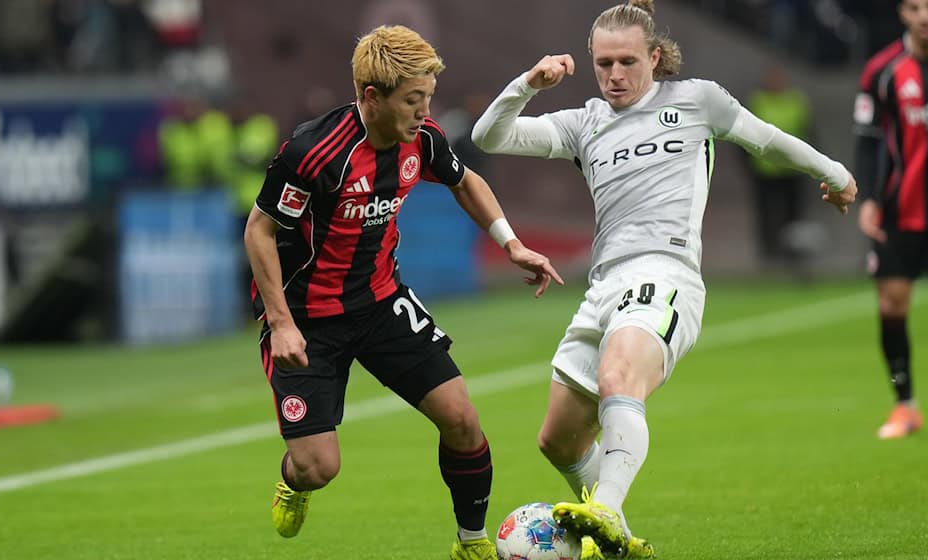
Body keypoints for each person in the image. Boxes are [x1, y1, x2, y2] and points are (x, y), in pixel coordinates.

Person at [471, 1, 857, 558]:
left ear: (654, 57)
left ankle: (606, 508)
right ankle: (622, 542)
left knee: (619, 376)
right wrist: (528, 84)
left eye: (627, 61)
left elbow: (767, 139)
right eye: (603, 63)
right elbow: (489, 136)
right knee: (558, 439)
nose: (615, 75)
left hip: (665, 273)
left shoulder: (696, 100)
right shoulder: (585, 123)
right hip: (603, 286)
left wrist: (836, 174)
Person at [243, 25, 563, 560]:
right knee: (319, 467)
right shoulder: (313, 151)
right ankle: (295, 480)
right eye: (413, 99)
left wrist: (510, 244)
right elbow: (259, 231)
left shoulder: (423, 139)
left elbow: (465, 181)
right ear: (372, 97)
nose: (424, 111)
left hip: (380, 302)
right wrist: (280, 323)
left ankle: (471, 542)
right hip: (307, 320)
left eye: (428, 97)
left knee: (461, 418)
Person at [853, 0, 928, 440]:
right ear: (902, 14)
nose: (923, 16)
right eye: (914, 7)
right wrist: (869, 198)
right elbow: (867, 140)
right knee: (891, 305)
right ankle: (905, 405)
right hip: (900, 208)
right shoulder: (882, 71)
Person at [746, 63, 813, 267]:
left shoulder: (796, 101)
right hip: (764, 170)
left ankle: (793, 252)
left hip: (792, 169)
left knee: (794, 213)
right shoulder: (758, 101)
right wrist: (749, 165)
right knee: (766, 213)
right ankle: (769, 253)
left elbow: (808, 131)